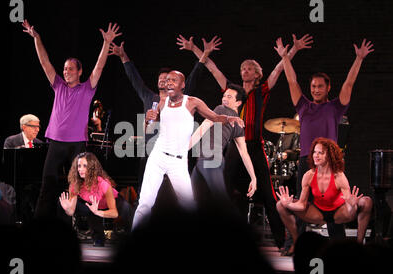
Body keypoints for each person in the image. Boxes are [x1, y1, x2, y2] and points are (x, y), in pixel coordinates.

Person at [177, 33, 313, 248]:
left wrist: (292, 50)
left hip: (255, 146)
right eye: (243, 68)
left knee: (269, 194)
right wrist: (197, 49)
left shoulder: (262, 91)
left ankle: (283, 242)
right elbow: (213, 70)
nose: (245, 71)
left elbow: (278, 70)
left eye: (249, 68)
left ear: (258, 74)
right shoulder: (232, 91)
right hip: (234, 145)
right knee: (223, 189)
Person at [21, 20, 121, 218]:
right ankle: (38, 226)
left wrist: (106, 43)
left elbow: (99, 67)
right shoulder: (58, 85)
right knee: (47, 185)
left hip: (76, 145)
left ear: (80, 72)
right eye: (65, 69)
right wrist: (37, 38)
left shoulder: (86, 89)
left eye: (71, 69)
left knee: (76, 188)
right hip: (56, 143)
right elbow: (44, 62)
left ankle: (75, 226)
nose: (66, 72)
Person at [132, 70, 243, 229]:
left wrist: (230, 118)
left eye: (173, 80)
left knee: (188, 204)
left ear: (182, 85)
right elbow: (148, 129)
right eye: (167, 80)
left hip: (178, 162)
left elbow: (214, 117)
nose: (168, 83)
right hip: (158, 157)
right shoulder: (162, 103)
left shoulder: (192, 102)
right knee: (145, 202)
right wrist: (147, 119)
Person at [273, 37, 374, 197]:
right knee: (303, 204)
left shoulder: (335, 107)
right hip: (307, 160)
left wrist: (359, 58)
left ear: (328, 88)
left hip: (330, 161)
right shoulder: (303, 106)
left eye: (320, 86)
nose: (316, 90)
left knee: (334, 203)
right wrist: (285, 57)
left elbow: (349, 83)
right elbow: (292, 81)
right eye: (313, 86)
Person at [109, 40, 206, 193]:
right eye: (160, 78)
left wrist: (203, 55)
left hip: (173, 154)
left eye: (167, 78)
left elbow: (193, 79)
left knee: (175, 194)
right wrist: (122, 56)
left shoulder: (181, 101)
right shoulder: (150, 97)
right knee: (145, 193)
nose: (163, 80)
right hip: (149, 152)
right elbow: (135, 79)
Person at [276, 137, 373, 255]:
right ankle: (296, 242)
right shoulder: (309, 175)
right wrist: (289, 204)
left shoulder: (339, 176)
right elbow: (301, 205)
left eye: (320, 153)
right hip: (318, 213)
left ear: (329, 155)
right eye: (314, 152)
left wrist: (352, 206)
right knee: (280, 205)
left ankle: (359, 245)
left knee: (367, 201)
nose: (316, 156)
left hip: (339, 213)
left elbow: (350, 212)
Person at [189, 81, 257, 210]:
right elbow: (244, 153)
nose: (224, 99)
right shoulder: (239, 124)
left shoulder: (220, 110)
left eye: (229, 97)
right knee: (194, 202)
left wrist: (182, 150)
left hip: (211, 160)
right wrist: (253, 178)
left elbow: (201, 129)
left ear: (238, 103)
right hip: (204, 161)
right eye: (224, 96)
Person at [59, 152, 119, 247]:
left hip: (113, 204)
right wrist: (67, 209)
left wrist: (98, 212)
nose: (80, 169)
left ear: (91, 168)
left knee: (126, 211)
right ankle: (97, 238)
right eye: (79, 166)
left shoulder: (103, 183)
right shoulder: (75, 184)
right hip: (93, 206)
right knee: (88, 208)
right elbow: (71, 211)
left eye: (84, 166)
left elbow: (114, 213)